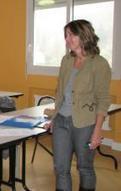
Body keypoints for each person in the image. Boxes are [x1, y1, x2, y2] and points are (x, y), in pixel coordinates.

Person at [45, 20, 111, 191]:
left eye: (71, 35)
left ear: (84, 35)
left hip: (85, 124)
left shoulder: (99, 63)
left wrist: (97, 131)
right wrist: (54, 117)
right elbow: (60, 92)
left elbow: (103, 99)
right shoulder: (66, 60)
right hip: (61, 121)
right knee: (60, 169)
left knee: (85, 168)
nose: (67, 39)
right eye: (66, 35)